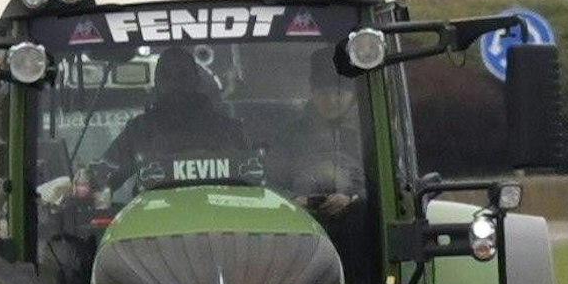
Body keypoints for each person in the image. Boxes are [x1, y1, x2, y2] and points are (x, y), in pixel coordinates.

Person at [97, 47, 250, 186]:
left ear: (196, 80)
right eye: (166, 75)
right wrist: (89, 181)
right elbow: (101, 178)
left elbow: (253, 179)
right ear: (157, 82)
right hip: (152, 208)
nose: (174, 82)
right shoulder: (138, 132)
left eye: (182, 75)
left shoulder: (229, 131)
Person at [277, 48, 366, 218]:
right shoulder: (290, 134)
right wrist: (292, 199)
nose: (331, 100)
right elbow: (272, 181)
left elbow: (389, 185)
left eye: (339, 93)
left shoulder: (371, 133)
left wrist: (353, 198)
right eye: (324, 93)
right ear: (312, 93)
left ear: (353, 95)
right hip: (298, 220)